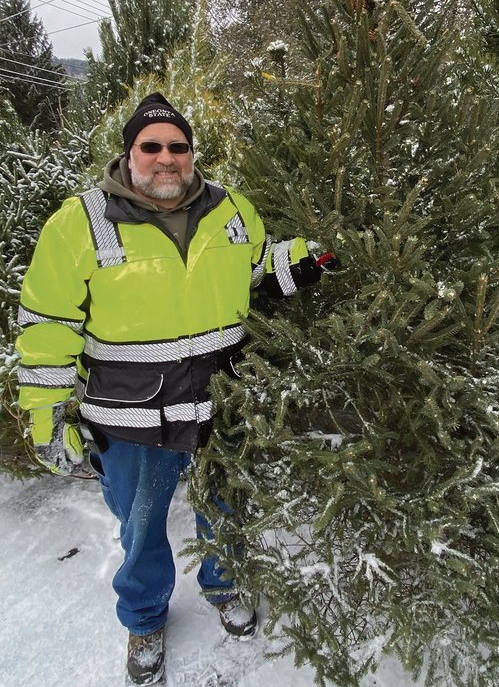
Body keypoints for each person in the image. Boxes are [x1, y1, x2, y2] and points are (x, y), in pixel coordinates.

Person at [15, 92, 335, 686]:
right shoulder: (80, 222)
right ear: (130, 153)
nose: (166, 158)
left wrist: (305, 259)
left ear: (192, 153)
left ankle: (224, 583)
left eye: (178, 146)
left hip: (222, 401)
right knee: (140, 522)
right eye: (152, 146)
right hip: (129, 414)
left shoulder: (231, 208)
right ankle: (143, 617)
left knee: (225, 507)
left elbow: (257, 266)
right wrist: (46, 417)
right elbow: (46, 325)